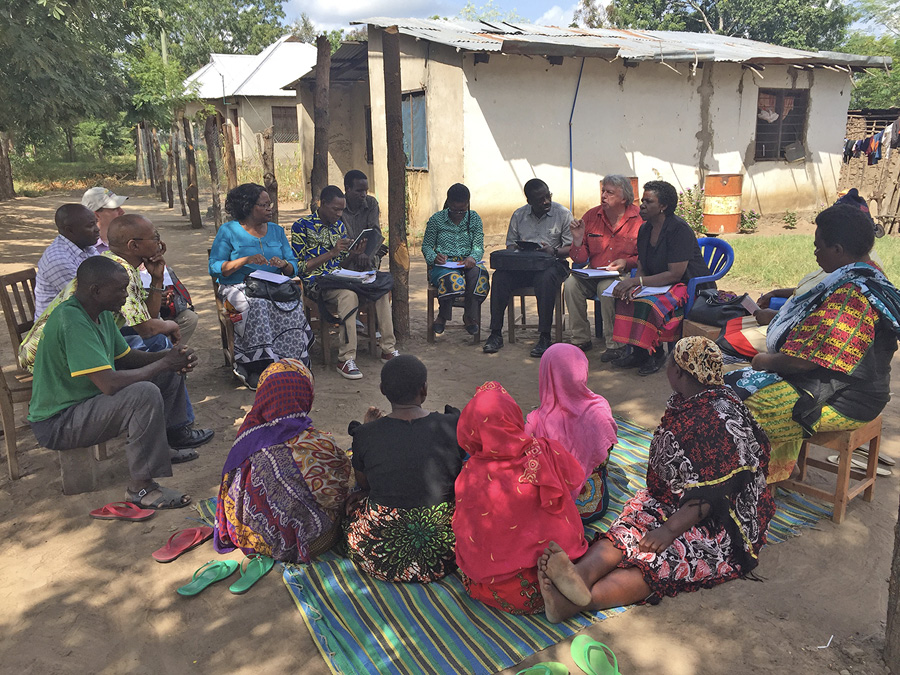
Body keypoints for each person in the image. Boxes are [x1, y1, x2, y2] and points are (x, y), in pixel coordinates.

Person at [537, 337, 775, 623]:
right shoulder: (697, 400)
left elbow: (714, 493)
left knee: (665, 558)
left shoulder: (713, 419)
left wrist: (668, 531)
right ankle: (579, 575)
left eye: (671, 362)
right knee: (629, 527)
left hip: (723, 519)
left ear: (679, 372)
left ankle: (580, 602)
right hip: (673, 499)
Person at [725, 205, 900, 483]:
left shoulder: (852, 296)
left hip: (847, 400)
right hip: (839, 385)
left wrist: (763, 360)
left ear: (838, 250)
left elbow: (802, 361)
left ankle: (744, 484)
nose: (815, 252)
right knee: (739, 384)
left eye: (819, 247)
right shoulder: (867, 275)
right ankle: (775, 468)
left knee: (735, 407)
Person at [28, 257, 203, 508]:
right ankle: (141, 489)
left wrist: (170, 358)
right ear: (95, 290)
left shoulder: (101, 313)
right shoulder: (72, 320)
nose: (126, 294)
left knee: (164, 373)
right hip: (59, 422)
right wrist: (164, 363)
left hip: (83, 405)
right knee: (143, 393)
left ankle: (164, 446)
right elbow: (109, 384)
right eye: (120, 289)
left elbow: (127, 358)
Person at [453, 381, 588, 614]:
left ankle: (549, 591)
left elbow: (464, 530)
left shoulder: (469, 475)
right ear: (513, 417)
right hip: (554, 564)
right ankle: (562, 578)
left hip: (504, 591)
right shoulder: (544, 449)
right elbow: (576, 479)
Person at [214, 359, 353, 563]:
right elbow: (340, 491)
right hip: (307, 541)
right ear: (305, 395)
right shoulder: (316, 446)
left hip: (249, 535)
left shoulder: (247, 434)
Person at [344, 355, 464, 583]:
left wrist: (368, 429)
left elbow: (365, 483)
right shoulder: (452, 424)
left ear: (382, 389)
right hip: (445, 552)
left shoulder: (365, 435)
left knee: (349, 510)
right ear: (424, 389)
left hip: (382, 556)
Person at [209, 183, 314, 389]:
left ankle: (291, 362)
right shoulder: (228, 231)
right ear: (248, 207)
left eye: (270, 204)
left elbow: (293, 264)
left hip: (272, 286)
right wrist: (244, 260)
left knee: (291, 303)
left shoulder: (276, 231)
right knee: (256, 305)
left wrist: (284, 265)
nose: (270, 208)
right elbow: (215, 267)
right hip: (237, 287)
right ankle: (256, 365)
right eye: (263, 205)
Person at [291, 185, 398, 380]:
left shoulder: (339, 226)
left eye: (342, 210)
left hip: (340, 276)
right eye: (335, 209)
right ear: (321, 204)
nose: (340, 214)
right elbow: (299, 267)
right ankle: (345, 358)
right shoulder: (301, 226)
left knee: (380, 287)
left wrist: (353, 255)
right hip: (317, 282)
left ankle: (388, 348)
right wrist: (331, 252)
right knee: (348, 295)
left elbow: (340, 263)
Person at [610, 181, 712, 376]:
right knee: (627, 297)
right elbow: (642, 264)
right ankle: (639, 352)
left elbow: (675, 273)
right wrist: (634, 286)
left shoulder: (678, 230)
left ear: (663, 206)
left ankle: (655, 353)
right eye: (643, 200)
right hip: (658, 282)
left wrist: (636, 282)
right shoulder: (645, 229)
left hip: (686, 284)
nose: (642, 205)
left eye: (649, 201)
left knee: (651, 305)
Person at [83, 186, 198, 344]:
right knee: (158, 340)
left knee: (159, 339)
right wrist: (170, 325)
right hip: (81, 342)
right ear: (134, 246)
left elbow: (148, 315)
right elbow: (146, 329)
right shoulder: (119, 272)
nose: (160, 243)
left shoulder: (123, 263)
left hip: (96, 336)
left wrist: (156, 280)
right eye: (155, 237)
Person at [524, 343, 618, 522]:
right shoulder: (600, 410)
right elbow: (605, 454)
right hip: (593, 505)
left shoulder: (535, 420)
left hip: (553, 509)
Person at [483, 179, 573, 358]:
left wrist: (553, 250)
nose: (546, 201)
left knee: (545, 279)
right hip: (523, 266)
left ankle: (545, 336)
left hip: (553, 264)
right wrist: (520, 250)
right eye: (540, 199)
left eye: (548, 196)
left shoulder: (562, 214)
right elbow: (510, 246)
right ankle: (495, 334)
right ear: (529, 201)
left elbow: (571, 249)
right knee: (500, 277)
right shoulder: (519, 215)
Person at [564, 175, 643, 359]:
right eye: (603, 191)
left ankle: (615, 345)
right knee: (570, 284)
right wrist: (577, 239)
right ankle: (581, 339)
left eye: (610, 192)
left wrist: (627, 262)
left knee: (606, 287)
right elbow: (580, 260)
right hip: (593, 273)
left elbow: (646, 256)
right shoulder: (592, 216)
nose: (603, 196)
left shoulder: (638, 219)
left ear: (624, 198)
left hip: (623, 275)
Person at [422, 183, 489, 336]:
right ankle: (443, 316)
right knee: (452, 279)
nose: (458, 213)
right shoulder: (436, 219)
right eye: (454, 209)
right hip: (444, 264)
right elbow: (426, 246)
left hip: (468, 262)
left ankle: (469, 316)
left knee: (479, 276)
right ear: (448, 203)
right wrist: (434, 257)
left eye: (462, 210)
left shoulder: (474, 218)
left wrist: (473, 257)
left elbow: (478, 245)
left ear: (468, 204)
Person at [33, 204, 99, 317]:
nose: (97, 229)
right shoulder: (58, 260)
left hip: (81, 318)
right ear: (70, 230)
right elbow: (88, 299)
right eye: (90, 225)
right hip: (58, 328)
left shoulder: (87, 248)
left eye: (96, 223)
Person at [341, 169, 384, 272]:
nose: (363, 194)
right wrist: (354, 253)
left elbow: (375, 232)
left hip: (366, 254)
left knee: (369, 264)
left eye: (366, 190)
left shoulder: (371, 203)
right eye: (359, 191)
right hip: (344, 254)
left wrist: (365, 253)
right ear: (348, 189)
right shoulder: (338, 205)